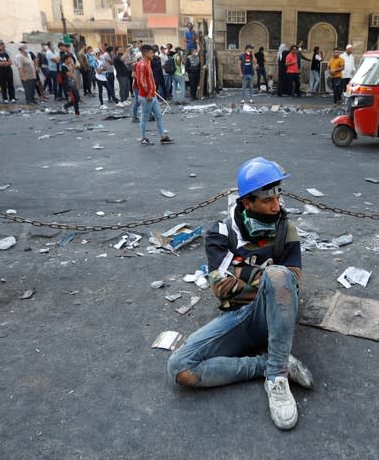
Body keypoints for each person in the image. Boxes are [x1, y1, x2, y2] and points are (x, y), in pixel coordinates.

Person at [166, 157, 312, 431]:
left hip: (274, 318)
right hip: (237, 319)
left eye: (277, 193)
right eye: (267, 197)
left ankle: (277, 379)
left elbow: (294, 280)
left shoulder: (285, 229)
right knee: (180, 368)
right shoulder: (220, 232)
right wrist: (269, 282)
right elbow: (220, 287)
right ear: (247, 202)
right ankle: (266, 365)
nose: (276, 204)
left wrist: (245, 275)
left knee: (279, 276)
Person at [133, 44, 172, 145]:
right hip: (147, 96)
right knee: (145, 117)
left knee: (159, 115)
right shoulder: (141, 65)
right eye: (151, 52)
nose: (153, 54)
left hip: (152, 94)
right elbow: (141, 81)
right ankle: (143, 138)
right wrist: (148, 93)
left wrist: (153, 91)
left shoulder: (148, 63)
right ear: (145, 53)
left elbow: (149, 79)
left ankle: (162, 136)